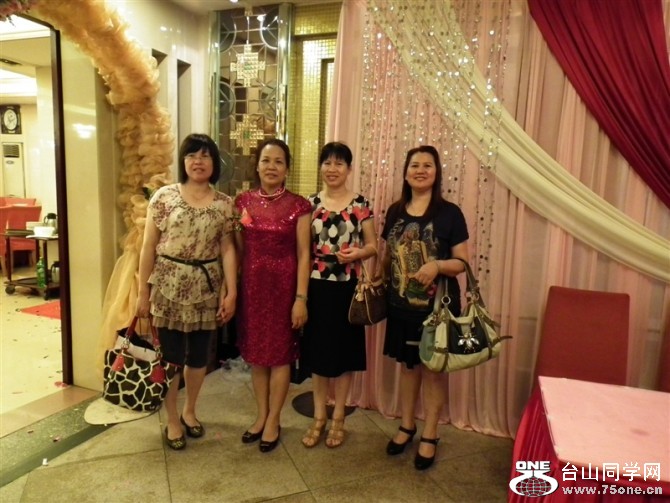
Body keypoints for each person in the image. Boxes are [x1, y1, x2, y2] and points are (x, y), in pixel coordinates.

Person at [136, 133, 238, 450]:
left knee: (198, 357)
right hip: (167, 286)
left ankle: (190, 410)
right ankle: (171, 418)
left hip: (206, 288)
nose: (198, 161)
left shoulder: (224, 204)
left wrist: (231, 292)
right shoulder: (164, 197)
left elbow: (228, 250)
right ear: (183, 161)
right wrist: (142, 292)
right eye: (192, 155)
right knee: (171, 358)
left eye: (205, 155)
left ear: (214, 163)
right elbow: (148, 246)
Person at [380, 145, 469, 470]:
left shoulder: (450, 213)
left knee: (433, 371)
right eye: (414, 165)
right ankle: (407, 425)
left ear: (436, 172)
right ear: (406, 173)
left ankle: (430, 433)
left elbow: (462, 263)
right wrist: (377, 279)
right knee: (408, 367)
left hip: (437, 310)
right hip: (400, 305)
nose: (420, 170)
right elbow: (388, 255)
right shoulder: (395, 211)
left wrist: (437, 266)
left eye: (427, 165)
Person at [235, 138, 312, 453]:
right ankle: (261, 415)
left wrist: (300, 298)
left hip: (284, 291)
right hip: (253, 289)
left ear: (287, 169)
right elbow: (239, 248)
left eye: (279, 161)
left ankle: (274, 420)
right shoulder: (242, 202)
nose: (271, 167)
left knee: (280, 356)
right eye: (266, 160)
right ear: (257, 165)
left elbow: (304, 255)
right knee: (257, 357)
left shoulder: (299, 205)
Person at [301, 142, 378, 449]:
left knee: (344, 356)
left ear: (349, 169)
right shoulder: (309, 204)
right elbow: (303, 250)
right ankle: (319, 416)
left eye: (339, 164)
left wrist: (358, 253)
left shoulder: (360, 203)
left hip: (349, 288)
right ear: (320, 167)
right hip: (317, 286)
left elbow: (373, 246)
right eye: (327, 163)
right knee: (318, 354)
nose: (332, 169)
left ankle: (339, 418)